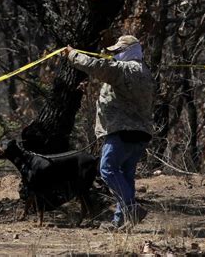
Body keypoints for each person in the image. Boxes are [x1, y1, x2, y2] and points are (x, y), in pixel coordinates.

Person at [61, 35, 154, 230]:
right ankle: (120, 222)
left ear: (128, 51)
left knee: (107, 169)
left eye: (118, 51)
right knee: (126, 175)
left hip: (122, 131)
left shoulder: (124, 70)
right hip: (141, 133)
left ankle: (131, 207)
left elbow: (96, 67)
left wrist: (72, 54)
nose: (114, 56)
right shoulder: (146, 72)